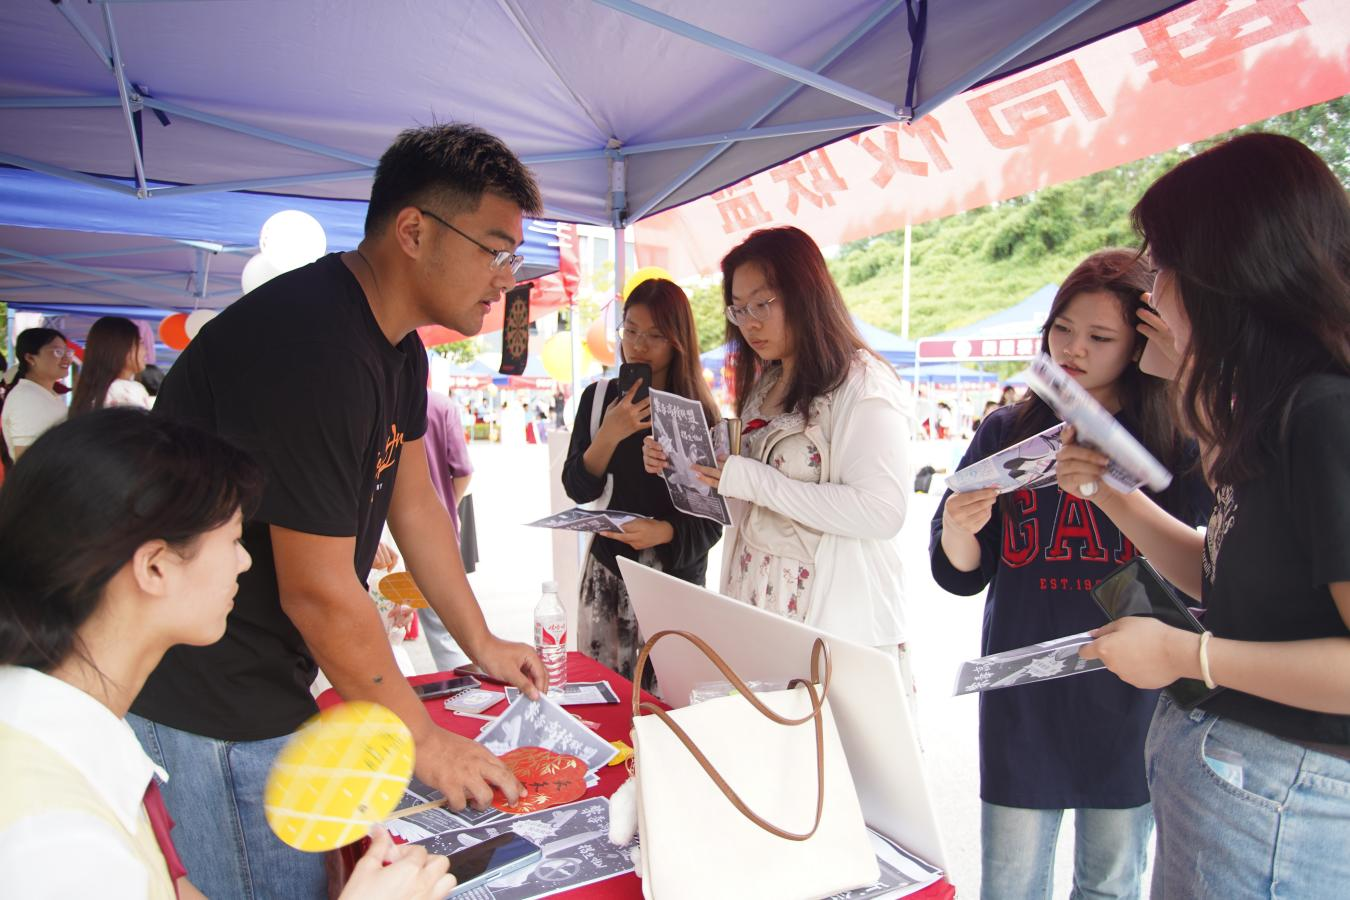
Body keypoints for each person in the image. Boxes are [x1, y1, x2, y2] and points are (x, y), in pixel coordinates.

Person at [129, 123, 548, 899]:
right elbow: (317, 589)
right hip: (209, 691)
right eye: (495, 251)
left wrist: (481, 640)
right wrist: (422, 740)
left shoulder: (399, 347)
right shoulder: (315, 346)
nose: (504, 280)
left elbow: (415, 503)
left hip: (267, 670)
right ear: (414, 231)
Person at [0, 409, 456, 900]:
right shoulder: (54, 838)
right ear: (154, 568)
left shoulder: (67, 726)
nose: (245, 561)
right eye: (235, 539)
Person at [1057, 134, 1350, 897]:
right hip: (1243, 789)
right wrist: (1110, 494)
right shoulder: (1275, 409)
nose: (1153, 295)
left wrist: (1190, 657)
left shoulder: (1325, 414)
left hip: (1285, 804)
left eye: (1162, 267)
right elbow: (1224, 572)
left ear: (1227, 273)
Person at [930, 249, 1210, 900]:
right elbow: (962, 574)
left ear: (1141, 343)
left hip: (1130, 696)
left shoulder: (1176, 441)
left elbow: (1206, 568)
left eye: (1100, 337)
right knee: (1010, 884)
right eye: (1062, 328)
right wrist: (958, 529)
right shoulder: (1006, 431)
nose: (1074, 349)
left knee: (1110, 883)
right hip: (1023, 695)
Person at [645, 227, 915, 689]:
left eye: (761, 304)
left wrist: (747, 478)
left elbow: (882, 512)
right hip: (755, 597)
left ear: (805, 295)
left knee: (822, 734)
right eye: (738, 308)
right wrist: (689, 469)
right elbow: (746, 510)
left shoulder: (863, 384)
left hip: (830, 620)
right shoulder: (767, 384)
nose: (748, 323)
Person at [563, 278, 723, 686]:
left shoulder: (698, 414)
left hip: (675, 584)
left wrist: (662, 531)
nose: (638, 345)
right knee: (603, 696)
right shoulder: (598, 399)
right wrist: (610, 433)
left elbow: (711, 522)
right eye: (630, 330)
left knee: (667, 701)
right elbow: (578, 488)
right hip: (608, 574)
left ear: (678, 341)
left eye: (655, 335)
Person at [417, 389, 476, 672]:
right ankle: (465, 689)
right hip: (432, 533)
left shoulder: (374, 398)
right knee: (444, 630)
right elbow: (463, 470)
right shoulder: (440, 405)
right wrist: (447, 505)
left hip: (378, 537)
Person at [1, 328, 72, 464]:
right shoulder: (26, 398)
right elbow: (26, 460)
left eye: (67, 352)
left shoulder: (43, 394)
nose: (67, 359)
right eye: (58, 352)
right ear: (30, 358)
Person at [70, 315, 152, 415]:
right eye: (140, 342)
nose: (145, 350)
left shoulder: (90, 392)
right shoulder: (128, 390)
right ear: (122, 349)